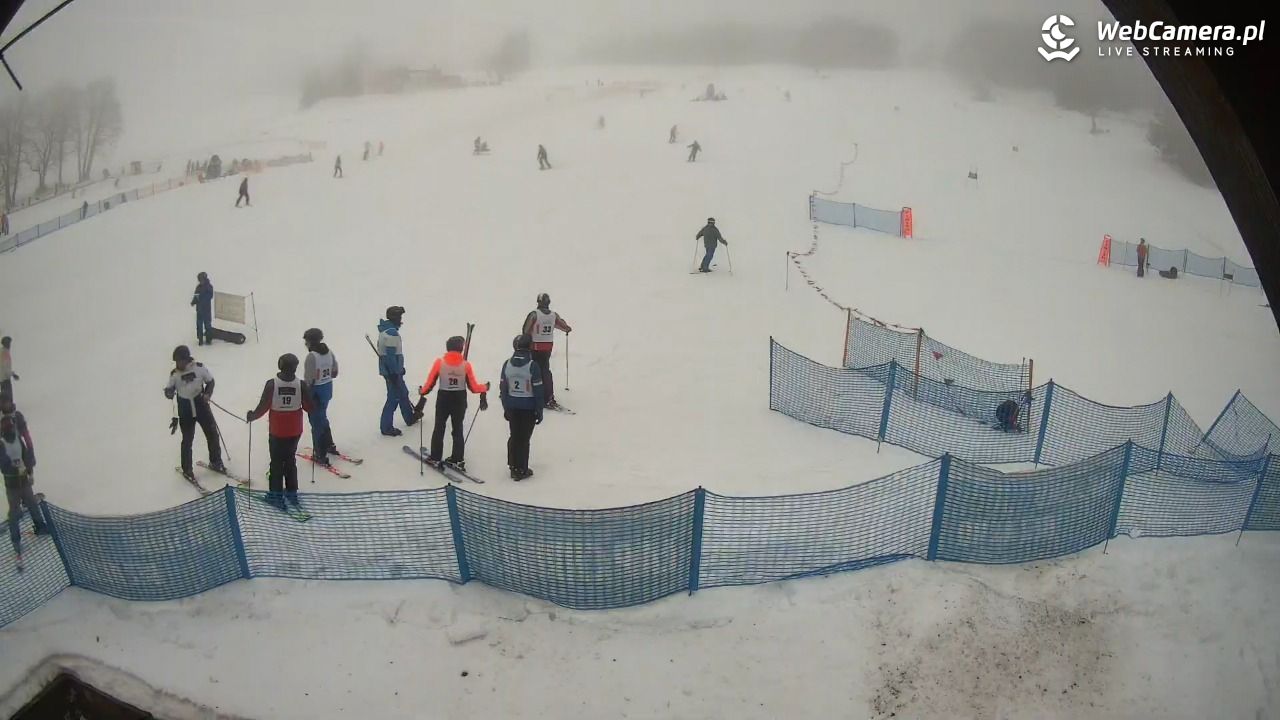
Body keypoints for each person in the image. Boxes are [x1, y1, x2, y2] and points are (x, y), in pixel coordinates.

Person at [246, 354, 314, 510]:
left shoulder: (272, 384)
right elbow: (310, 408)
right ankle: (292, 493)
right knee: (290, 460)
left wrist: (252, 416)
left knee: (276, 462)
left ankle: (275, 496)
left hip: (277, 430)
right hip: (295, 429)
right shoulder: (301, 385)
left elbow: (263, 407)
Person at [419, 336, 489, 470]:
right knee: (457, 429)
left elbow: (429, 384)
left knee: (439, 427)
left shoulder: (439, 363)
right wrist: (484, 388)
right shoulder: (465, 365)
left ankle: (435, 457)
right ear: (461, 349)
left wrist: (422, 392)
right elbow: (473, 387)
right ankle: (457, 459)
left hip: (443, 398)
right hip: (459, 399)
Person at [164, 345, 225, 482]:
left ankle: (216, 461)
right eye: (176, 361)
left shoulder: (199, 368)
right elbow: (169, 389)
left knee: (212, 433)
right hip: (185, 408)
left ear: (186, 359)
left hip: (200, 404)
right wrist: (168, 392)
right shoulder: (175, 374)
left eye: (180, 361)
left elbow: (210, 381)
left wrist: (208, 393)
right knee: (187, 440)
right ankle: (187, 470)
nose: (178, 364)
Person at [2, 413, 48, 569]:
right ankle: (16, 541)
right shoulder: (1, 443)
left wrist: (28, 468)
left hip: (24, 482)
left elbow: (24, 453)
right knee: (14, 513)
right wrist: (14, 466)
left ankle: (40, 526)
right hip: (12, 486)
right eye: (6, 425)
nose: (9, 427)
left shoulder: (16, 438)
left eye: (10, 424)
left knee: (32, 505)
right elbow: (3, 464)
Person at [501, 334, 544, 480]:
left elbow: (503, 388)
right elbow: (538, 390)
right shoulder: (533, 366)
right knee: (524, 439)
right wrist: (539, 410)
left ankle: (513, 465)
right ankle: (522, 469)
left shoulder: (507, 364)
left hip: (512, 406)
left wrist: (505, 407)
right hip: (528, 407)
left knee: (514, 436)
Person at [522, 294, 572, 410]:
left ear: (538, 302)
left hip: (534, 347)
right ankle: (549, 397)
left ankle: (532, 395)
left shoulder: (534, 314)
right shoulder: (553, 316)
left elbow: (525, 330)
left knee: (532, 370)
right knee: (545, 371)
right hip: (547, 348)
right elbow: (564, 327)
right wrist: (567, 329)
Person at [377, 306, 419, 436]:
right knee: (393, 398)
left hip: (392, 370)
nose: (401, 320)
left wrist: (399, 369)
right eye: (400, 317)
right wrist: (395, 372)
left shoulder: (386, 331)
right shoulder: (391, 333)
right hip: (392, 372)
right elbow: (390, 356)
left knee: (402, 393)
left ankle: (409, 417)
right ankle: (386, 427)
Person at [303, 328, 340, 465]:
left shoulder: (312, 356)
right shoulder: (329, 352)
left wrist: (306, 394)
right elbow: (335, 372)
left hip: (315, 392)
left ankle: (320, 454)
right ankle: (329, 444)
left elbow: (309, 380)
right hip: (327, 389)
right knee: (322, 417)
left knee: (316, 422)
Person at [191, 272, 214, 346]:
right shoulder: (198, 287)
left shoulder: (209, 287)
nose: (200, 281)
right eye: (199, 280)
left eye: (201, 280)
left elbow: (209, 296)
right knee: (199, 325)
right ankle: (200, 339)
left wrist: (202, 300)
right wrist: (194, 301)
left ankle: (208, 339)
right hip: (199, 310)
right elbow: (196, 296)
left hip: (206, 310)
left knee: (207, 325)